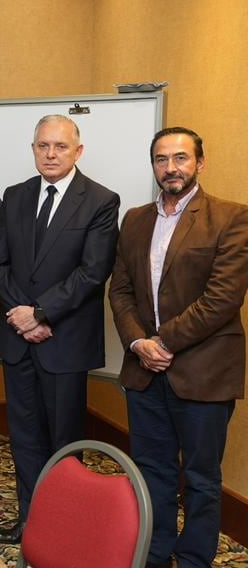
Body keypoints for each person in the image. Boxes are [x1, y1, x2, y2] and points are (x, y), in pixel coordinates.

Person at [109, 127, 248, 568]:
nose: (171, 168)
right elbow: (120, 291)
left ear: (200, 163)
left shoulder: (232, 217)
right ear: (153, 165)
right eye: (161, 159)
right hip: (144, 372)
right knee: (152, 472)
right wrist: (137, 342)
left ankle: (193, 559)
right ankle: (154, 551)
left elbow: (223, 298)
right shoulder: (134, 219)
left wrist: (162, 341)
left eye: (181, 158)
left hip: (204, 372)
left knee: (202, 478)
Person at [0, 116, 119, 544]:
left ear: (77, 151)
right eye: (43, 146)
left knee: (64, 441)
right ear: (33, 149)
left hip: (64, 341)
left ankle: (67, 528)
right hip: (17, 339)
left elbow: (93, 272)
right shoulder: (15, 195)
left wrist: (41, 314)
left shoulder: (100, 200)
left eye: (60, 147)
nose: (50, 154)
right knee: (24, 438)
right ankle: (31, 523)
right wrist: (22, 316)